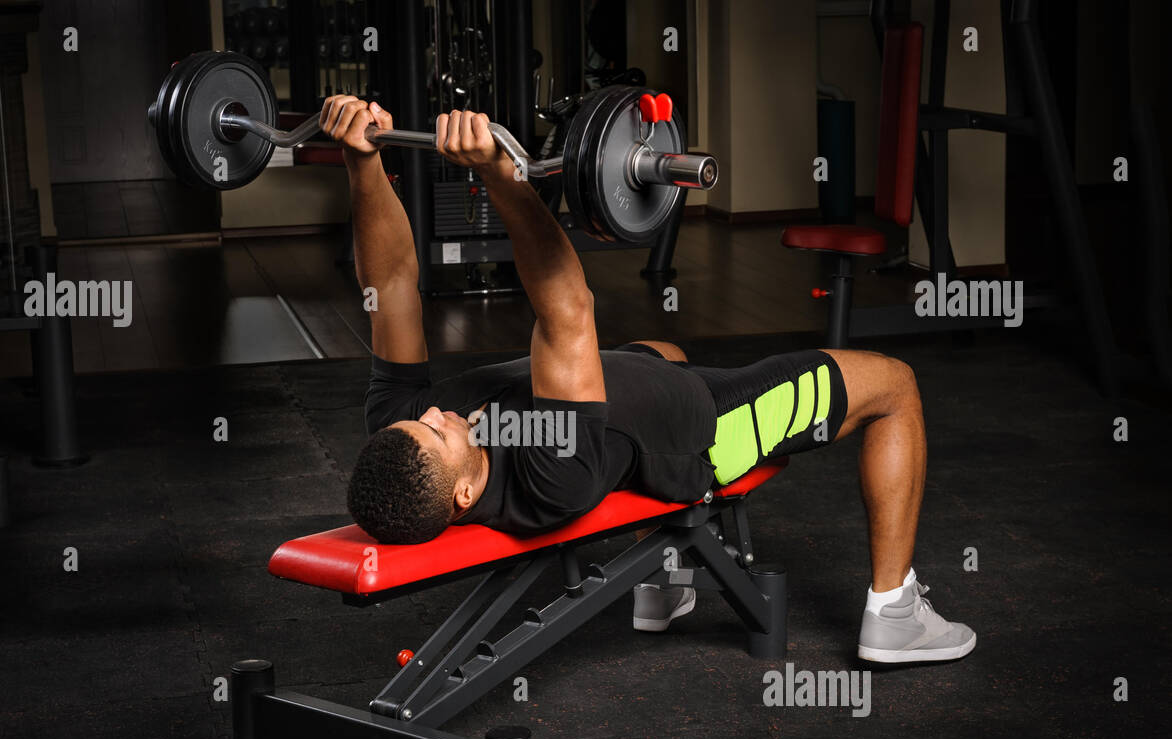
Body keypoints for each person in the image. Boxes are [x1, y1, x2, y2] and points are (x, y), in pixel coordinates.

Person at [322, 95, 975, 665]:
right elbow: (567, 306)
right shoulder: (550, 470)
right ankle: (894, 615)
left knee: (660, 350)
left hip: (636, 402)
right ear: (464, 493)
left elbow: (391, 285)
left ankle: (666, 580)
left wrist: (362, 161)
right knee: (894, 386)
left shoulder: (404, 433)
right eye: (438, 435)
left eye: (421, 420)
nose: (436, 414)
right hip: (713, 427)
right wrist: (501, 174)